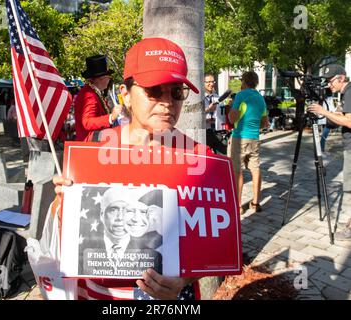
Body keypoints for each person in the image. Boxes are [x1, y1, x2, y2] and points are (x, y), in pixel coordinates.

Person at [54, 37, 211, 300]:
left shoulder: (199, 158)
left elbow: (212, 244)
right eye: (153, 90)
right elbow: (68, 231)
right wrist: (62, 206)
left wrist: (184, 279)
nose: (167, 103)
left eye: (176, 92)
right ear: (124, 95)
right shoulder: (93, 149)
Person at [307, 64, 351, 240]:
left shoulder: (349, 92)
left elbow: (349, 121)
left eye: (331, 81)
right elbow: (339, 120)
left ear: (341, 78)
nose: (329, 85)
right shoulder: (345, 93)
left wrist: (323, 111)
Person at [228, 71, 269, 214]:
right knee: (255, 168)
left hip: (240, 137)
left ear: (244, 82)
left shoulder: (240, 95)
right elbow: (265, 123)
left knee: (237, 171)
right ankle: (255, 203)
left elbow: (232, 119)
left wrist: (231, 106)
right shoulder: (260, 98)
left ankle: (238, 206)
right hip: (254, 138)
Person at [74, 55, 122, 141]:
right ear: (101, 78)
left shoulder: (93, 92)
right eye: (108, 77)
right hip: (90, 145)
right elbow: (87, 122)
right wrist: (111, 117)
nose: (109, 80)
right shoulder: (89, 95)